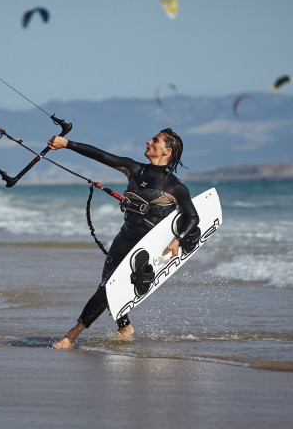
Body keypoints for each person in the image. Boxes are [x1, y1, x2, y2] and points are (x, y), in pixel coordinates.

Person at [47, 128, 200, 349]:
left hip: (144, 248)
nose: (148, 141)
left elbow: (192, 217)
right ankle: (125, 327)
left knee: (107, 287)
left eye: (154, 140)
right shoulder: (134, 169)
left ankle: (71, 336)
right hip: (123, 238)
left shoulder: (175, 187)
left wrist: (178, 240)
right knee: (108, 287)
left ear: (166, 151)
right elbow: (101, 155)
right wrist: (67, 144)